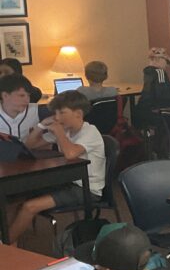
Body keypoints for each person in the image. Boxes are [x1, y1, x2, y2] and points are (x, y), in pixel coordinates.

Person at [7, 90, 106, 244]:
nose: (57, 117)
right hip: (67, 181)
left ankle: (4, 247)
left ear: (78, 114)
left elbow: (70, 153)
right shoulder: (66, 130)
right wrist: (40, 126)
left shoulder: (90, 132)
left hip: (87, 188)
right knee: (16, 198)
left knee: (29, 206)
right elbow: (29, 145)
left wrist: (59, 132)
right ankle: (11, 242)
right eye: (56, 113)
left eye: (62, 112)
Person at [0, 73, 45, 141]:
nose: (27, 100)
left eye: (28, 95)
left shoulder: (38, 111)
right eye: (21, 95)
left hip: (32, 151)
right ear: (5, 95)